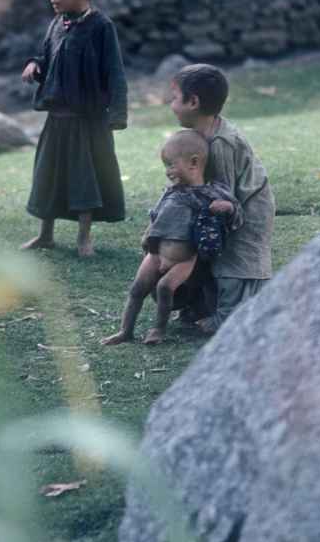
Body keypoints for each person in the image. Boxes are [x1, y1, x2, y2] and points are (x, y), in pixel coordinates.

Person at [21, 0, 127, 257]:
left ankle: (84, 238)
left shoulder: (101, 27)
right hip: (57, 120)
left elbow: (115, 72)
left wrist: (117, 115)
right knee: (48, 175)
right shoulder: (57, 24)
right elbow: (46, 56)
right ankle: (45, 235)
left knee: (84, 179)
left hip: (86, 120)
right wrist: (34, 65)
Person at [101, 129, 240, 346]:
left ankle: (159, 329)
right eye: (166, 166)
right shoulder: (171, 192)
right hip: (156, 254)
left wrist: (227, 207)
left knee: (164, 288)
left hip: (185, 258)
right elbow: (157, 215)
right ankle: (125, 331)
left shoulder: (211, 192)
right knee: (137, 289)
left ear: (193, 163)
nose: (168, 171)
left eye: (171, 165)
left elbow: (236, 211)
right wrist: (148, 233)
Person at [170, 63, 275, 333]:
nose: (171, 105)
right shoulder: (203, 133)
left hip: (247, 208)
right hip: (228, 206)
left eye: (174, 98)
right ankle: (203, 304)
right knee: (209, 253)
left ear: (193, 102)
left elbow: (225, 193)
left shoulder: (220, 144)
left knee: (234, 265)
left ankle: (227, 316)